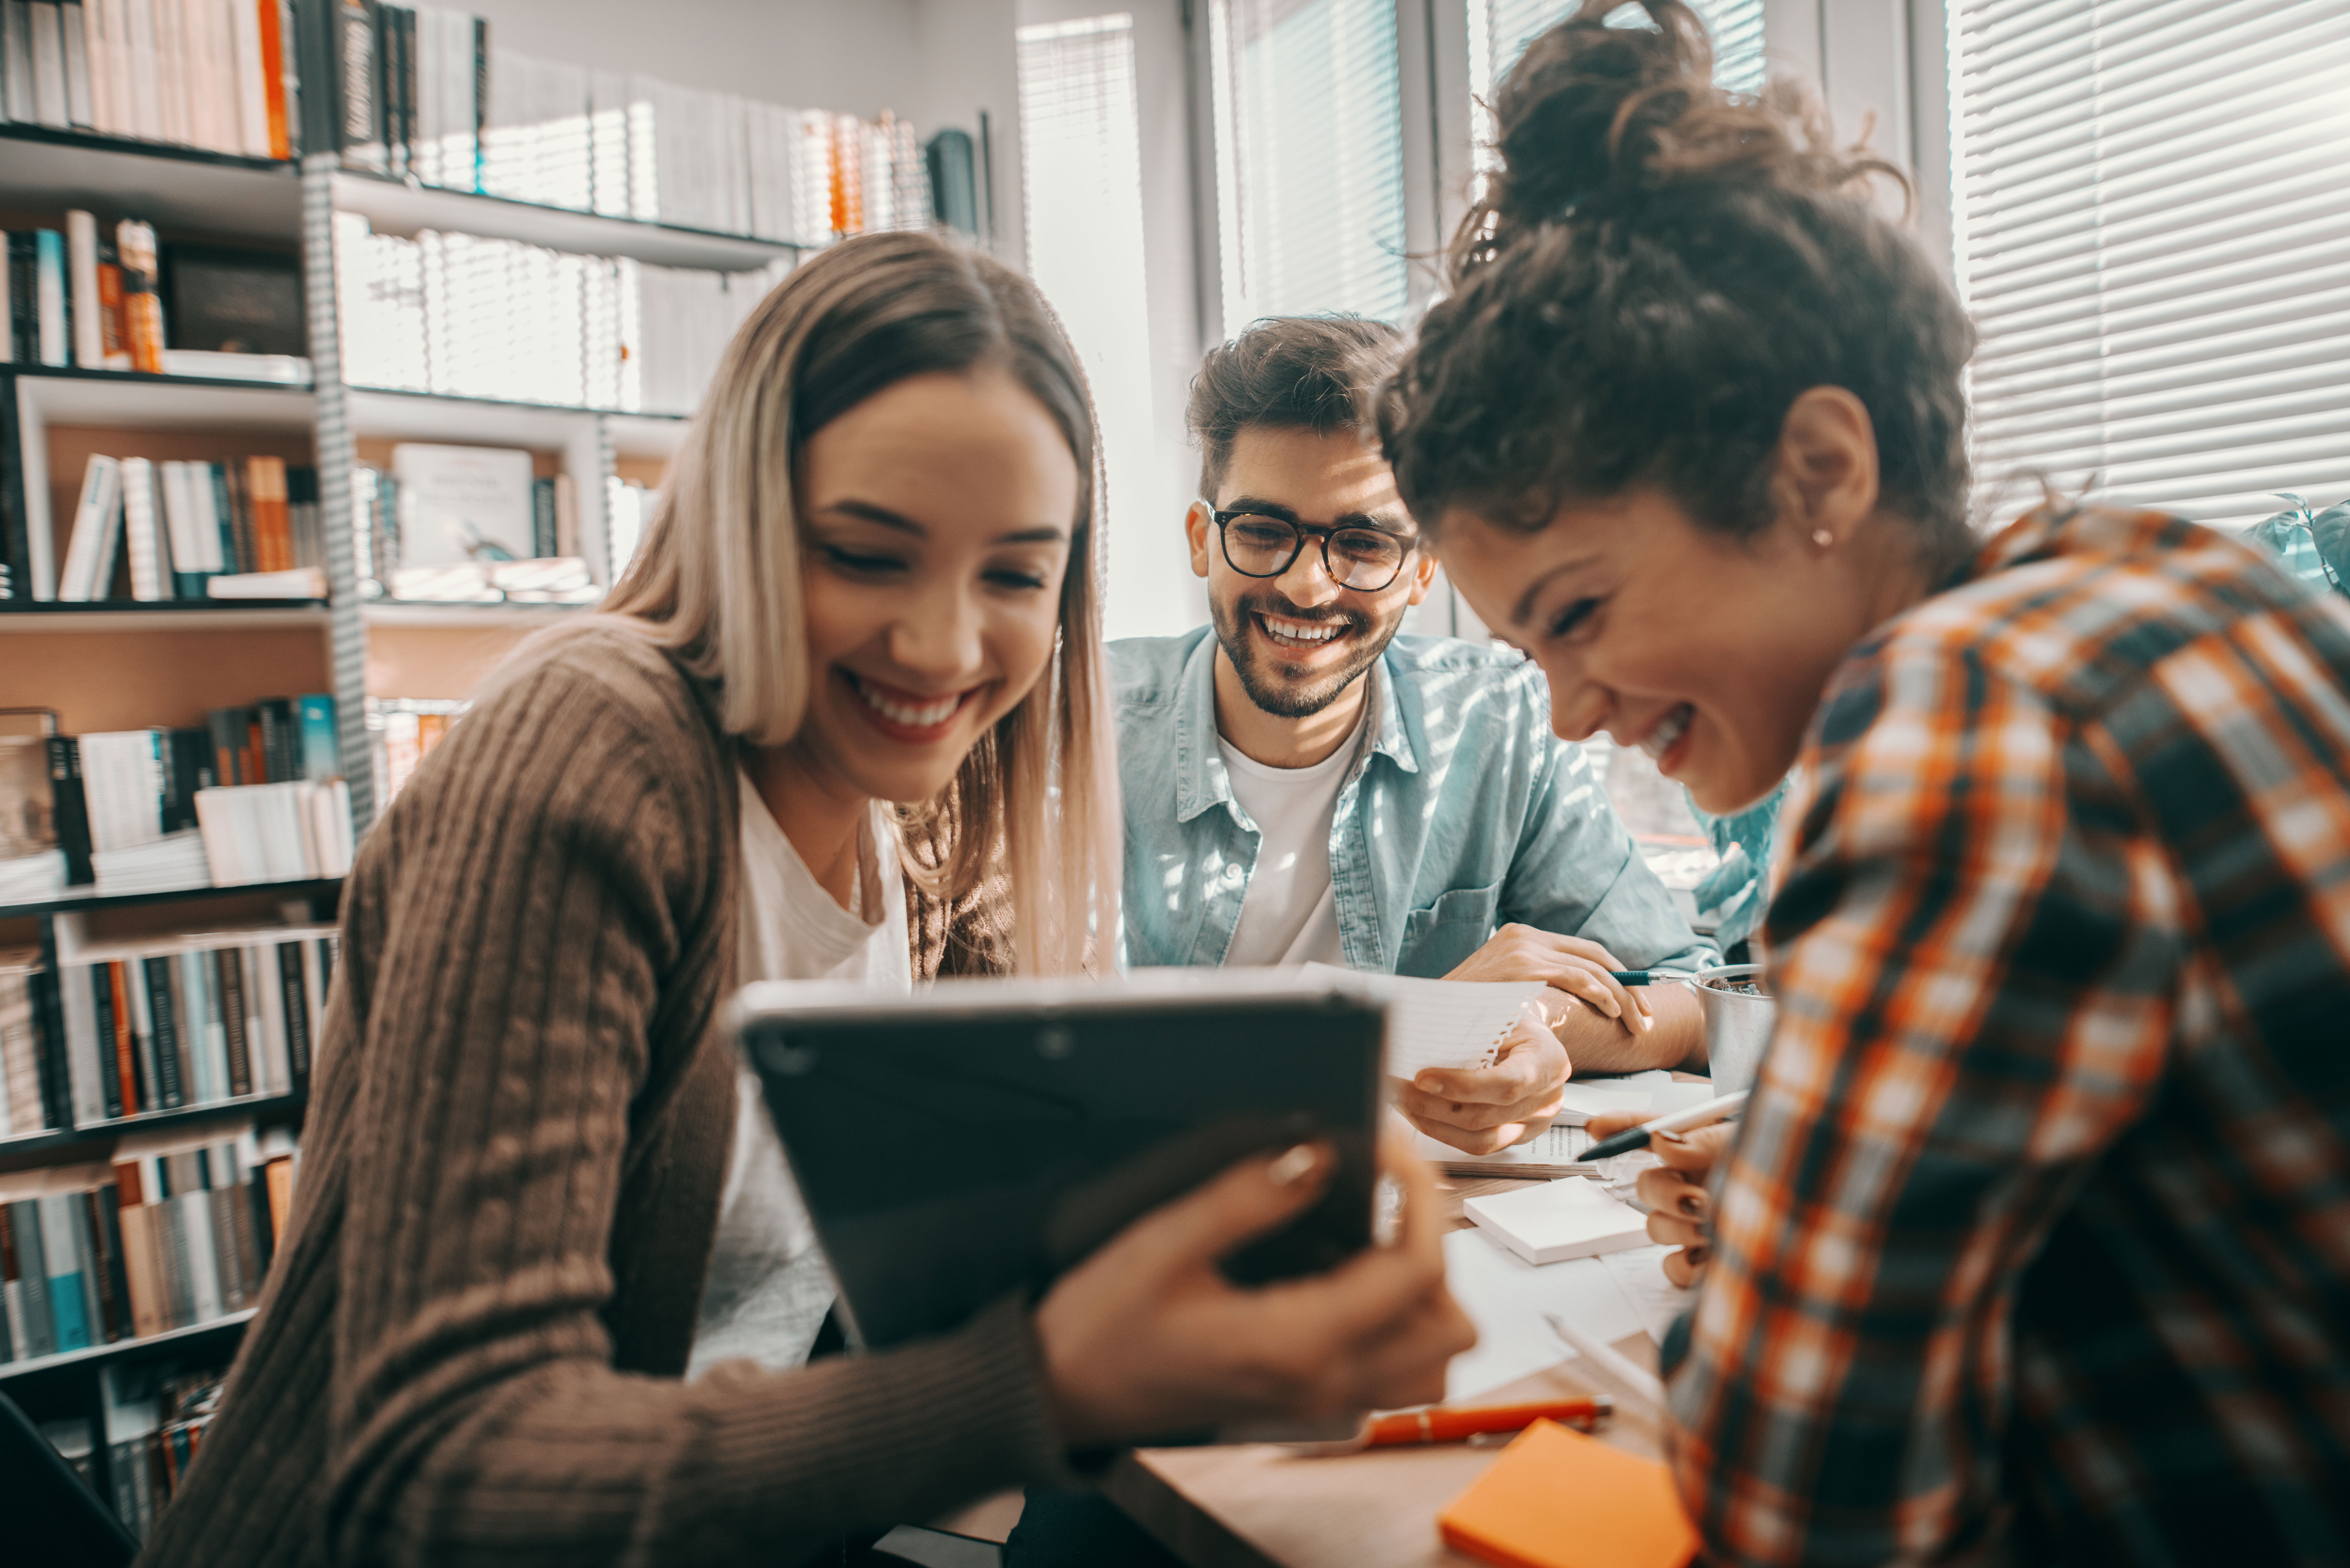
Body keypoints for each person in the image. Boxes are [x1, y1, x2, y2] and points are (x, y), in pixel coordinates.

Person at [140, 232, 1474, 1568]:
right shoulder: (594, 749)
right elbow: (448, 1472)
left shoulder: (935, 802)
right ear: (744, 522)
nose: (947, 645)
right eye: (867, 553)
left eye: (1014, 573)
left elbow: (1002, 1231)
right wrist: (1045, 1384)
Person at [1381, 2, 2350, 1561]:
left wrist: (1775, 1263)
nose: (1562, 715)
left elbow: (1795, 1498)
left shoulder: (1962, 713)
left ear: (1816, 470)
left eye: (1578, 614)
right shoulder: (2165, 584)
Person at [1114, 316, 1716, 1156]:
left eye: (1361, 544)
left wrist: (1532, 1026)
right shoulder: (1082, 736)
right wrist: (1418, 1025)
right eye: (1262, 532)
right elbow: (1048, 1060)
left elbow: (1685, 996)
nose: (1307, 585)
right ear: (1200, 542)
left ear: (1423, 569)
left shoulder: (1499, 722)